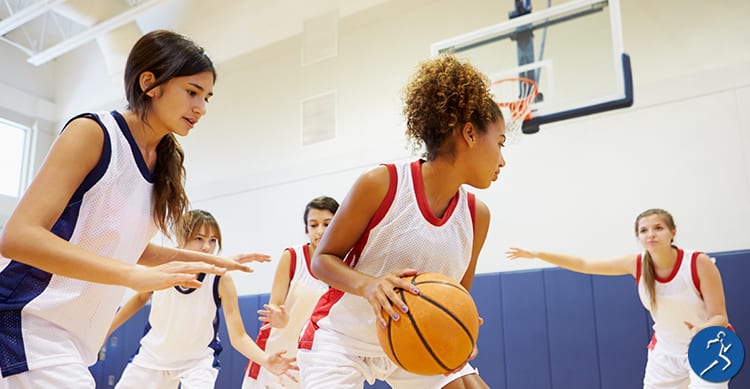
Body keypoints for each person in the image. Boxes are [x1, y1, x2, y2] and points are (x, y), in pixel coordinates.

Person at [0, 30, 258, 387]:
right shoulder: (93, 133)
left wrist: (209, 263)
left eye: (207, 97)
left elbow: (124, 244)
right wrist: (131, 275)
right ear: (150, 83)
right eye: (192, 92)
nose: (201, 108)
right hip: (25, 320)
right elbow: (18, 238)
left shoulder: (163, 164)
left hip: (70, 339)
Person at [297, 54, 505, 388]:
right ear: (469, 133)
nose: (502, 160)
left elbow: (457, 293)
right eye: (500, 143)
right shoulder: (382, 184)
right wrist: (369, 284)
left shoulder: (477, 215)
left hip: (412, 339)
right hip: (343, 340)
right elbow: (321, 260)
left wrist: (459, 324)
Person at [506, 208, 731, 389]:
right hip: (666, 352)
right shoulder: (636, 264)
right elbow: (584, 264)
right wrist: (538, 254)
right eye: (644, 230)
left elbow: (720, 316)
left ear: (673, 232)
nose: (651, 234)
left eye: (658, 228)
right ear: (639, 237)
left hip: (709, 346)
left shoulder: (697, 262)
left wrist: (702, 329)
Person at [108, 209, 298, 388]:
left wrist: (265, 360)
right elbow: (140, 297)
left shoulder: (221, 279)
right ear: (181, 238)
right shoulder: (163, 264)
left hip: (197, 362)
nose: (207, 247)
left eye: (213, 240)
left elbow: (238, 336)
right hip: (152, 356)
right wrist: (106, 331)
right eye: (199, 238)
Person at [243, 195, 339, 389]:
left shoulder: (344, 263)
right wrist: (278, 318)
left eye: (327, 224)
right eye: (313, 225)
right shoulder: (293, 257)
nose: (320, 231)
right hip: (278, 351)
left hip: (316, 357)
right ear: (306, 229)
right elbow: (274, 307)